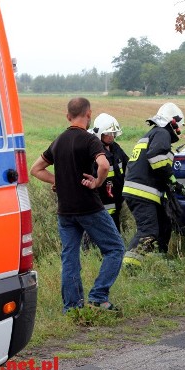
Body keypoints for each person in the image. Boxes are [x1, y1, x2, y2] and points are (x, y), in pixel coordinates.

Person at [30, 97, 125, 313]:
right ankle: (99, 297)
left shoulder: (58, 141)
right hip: (89, 207)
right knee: (115, 248)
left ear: (67, 116)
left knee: (70, 256)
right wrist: (98, 182)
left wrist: (58, 181)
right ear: (89, 114)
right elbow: (103, 164)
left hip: (65, 211)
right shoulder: (90, 140)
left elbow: (36, 169)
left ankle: (72, 307)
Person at [122, 102, 185, 266]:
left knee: (163, 227)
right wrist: (172, 179)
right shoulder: (162, 133)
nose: (178, 131)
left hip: (141, 192)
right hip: (143, 193)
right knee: (148, 231)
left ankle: (159, 263)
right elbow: (156, 158)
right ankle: (130, 266)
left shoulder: (151, 134)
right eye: (178, 126)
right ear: (172, 122)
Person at [89, 113, 129, 233]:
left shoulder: (116, 148)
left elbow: (128, 165)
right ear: (99, 133)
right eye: (108, 133)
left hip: (116, 200)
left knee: (115, 231)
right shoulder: (93, 150)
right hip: (100, 202)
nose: (112, 136)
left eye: (113, 133)